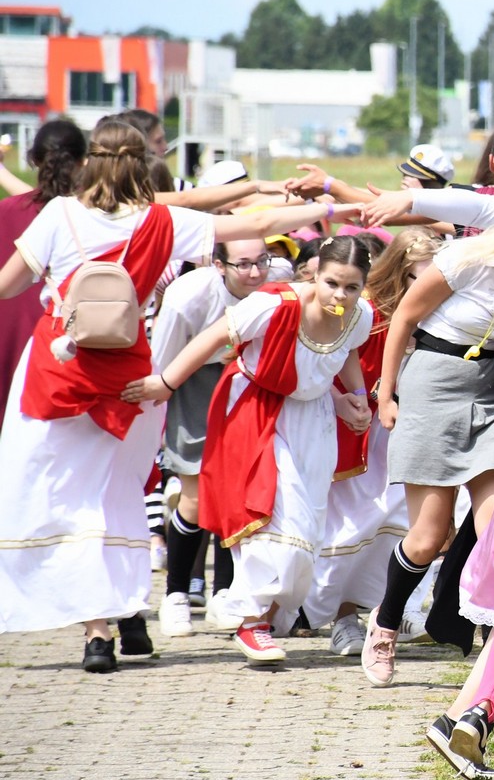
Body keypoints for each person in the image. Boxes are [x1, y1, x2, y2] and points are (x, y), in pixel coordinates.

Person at [0, 120, 360, 670]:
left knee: (56, 495)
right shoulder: (163, 221)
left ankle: (98, 630)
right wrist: (326, 208)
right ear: (143, 164)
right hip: (128, 378)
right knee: (117, 494)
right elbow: (258, 222)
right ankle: (125, 611)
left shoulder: (58, 215)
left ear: (88, 161)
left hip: (58, 370)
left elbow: (10, 283)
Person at [124, 237, 374, 663]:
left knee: (308, 531)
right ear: (314, 275)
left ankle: (265, 615)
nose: (340, 295)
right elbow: (214, 337)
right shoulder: (277, 305)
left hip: (314, 422)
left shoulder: (359, 315)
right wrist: (165, 383)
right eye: (332, 283)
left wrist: (355, 396)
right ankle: (250, 620)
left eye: (352, 287)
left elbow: (342, 354)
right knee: (275, 520)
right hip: (258, 412)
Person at [361, 192, 494, 687]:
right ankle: (385, 623)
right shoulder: (467, 259)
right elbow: (405, 318)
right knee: (428, 535)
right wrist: (387, 394)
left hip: (487, 393)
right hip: (433, 384)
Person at [305, 228, 442, 655]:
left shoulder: (441, 310)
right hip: (360, 425)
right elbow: (327, 359)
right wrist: (350, 402)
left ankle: (386, 609)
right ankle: (342, 617)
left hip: (407, 427)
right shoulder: (364, 312)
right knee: (351, 523)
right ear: (400, 271)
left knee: (397, 526)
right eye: (419, 277)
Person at [150, 237, 284, 636]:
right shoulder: (188, 296)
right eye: (244, 264)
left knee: (242, 494)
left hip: (254, 384)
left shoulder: (278, 284)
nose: (256, 272)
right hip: (193, 380)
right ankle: (175, 594)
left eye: (263, 261)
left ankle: (227, 592)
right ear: (218, 264)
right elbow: (164, 360)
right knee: (194, 494)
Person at [0, 120, 86, 425]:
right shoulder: (93, 217)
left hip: (9, 340)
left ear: (33, 160)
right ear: (83, 162)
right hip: (70, 348)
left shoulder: (8, 211)